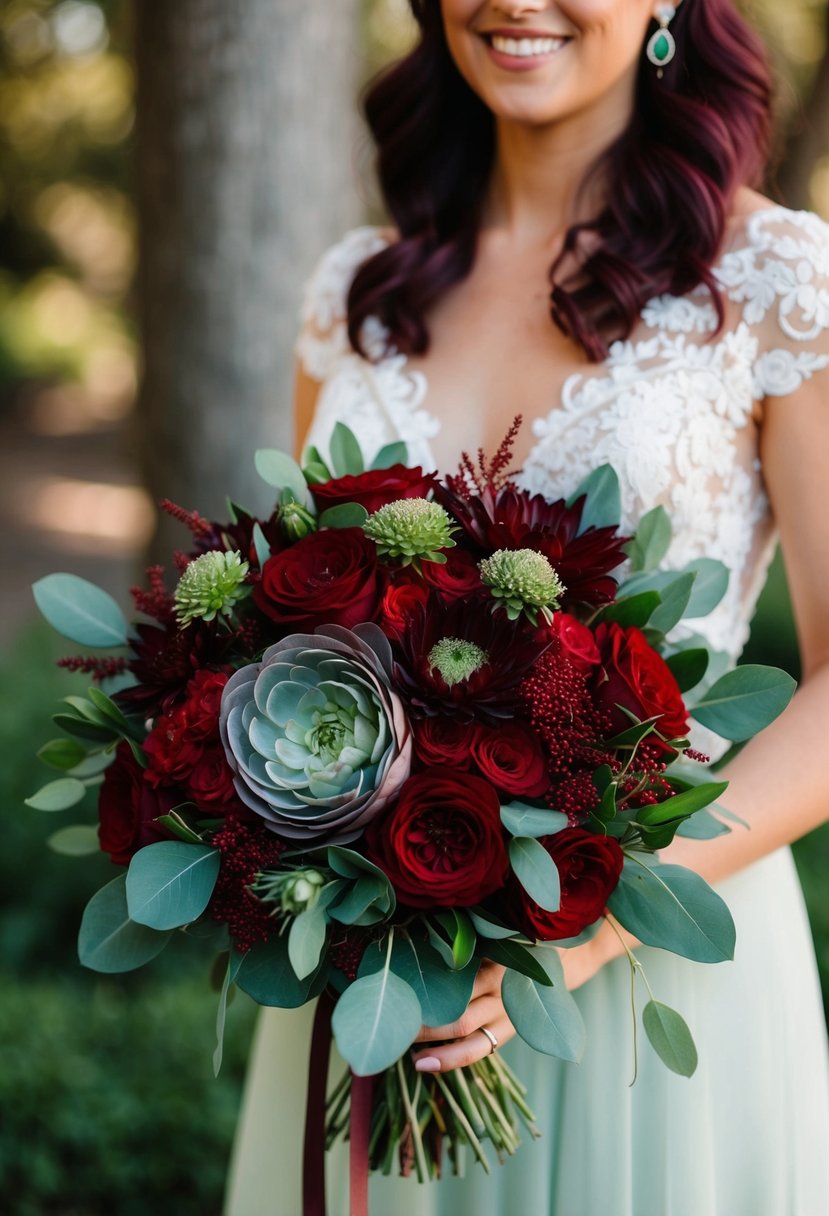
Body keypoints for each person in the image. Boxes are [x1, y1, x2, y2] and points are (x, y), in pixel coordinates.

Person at [224, 2, 829, 1212]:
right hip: (388, 974)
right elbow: (301, 636)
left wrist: (589, 927)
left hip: (658, 956)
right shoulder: (356, 288)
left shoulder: (775, 282)